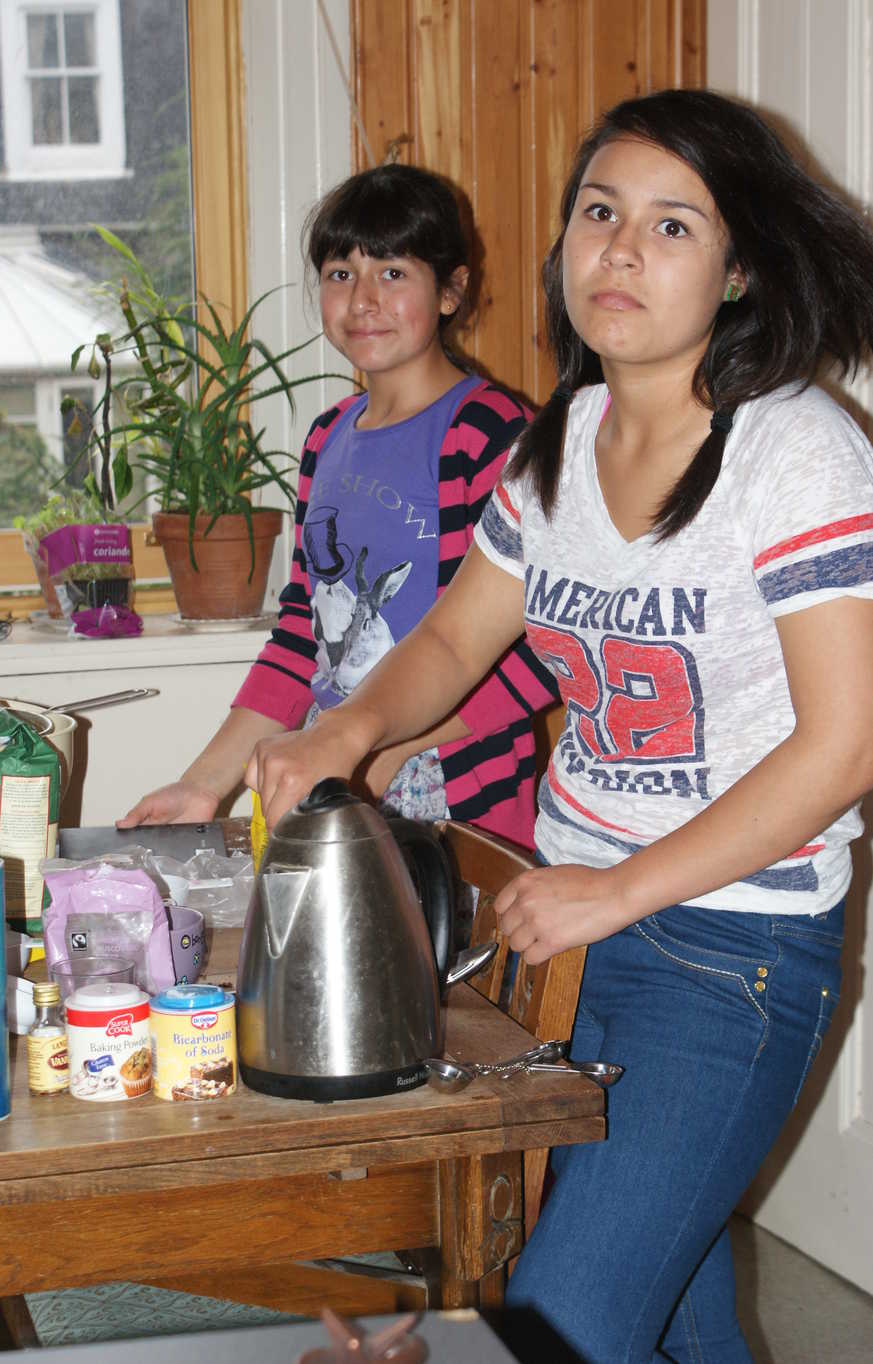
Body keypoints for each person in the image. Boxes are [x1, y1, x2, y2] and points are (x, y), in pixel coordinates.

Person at [242, 90, 873, 1363]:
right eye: (599, 212)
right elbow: (453, 640)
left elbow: (844, 746)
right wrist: (343, 734)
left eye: (672, 225)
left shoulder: (796, 453)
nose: (620, 251)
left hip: (729, 954)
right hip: (569, 927)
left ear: (740, 265)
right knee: (669, 1297)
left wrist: (615, 890)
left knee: (562, 1319)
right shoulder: (561, 437)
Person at [120, 163, 557, 846]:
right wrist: (204, 783)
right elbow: (302, 637)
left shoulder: (490, 436)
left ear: (450, 290)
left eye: (392, 273)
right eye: (339, 273)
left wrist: (381, 751)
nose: (362, 300)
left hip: (459, 805)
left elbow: (543, 655)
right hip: (339, 775)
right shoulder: (327, 439)